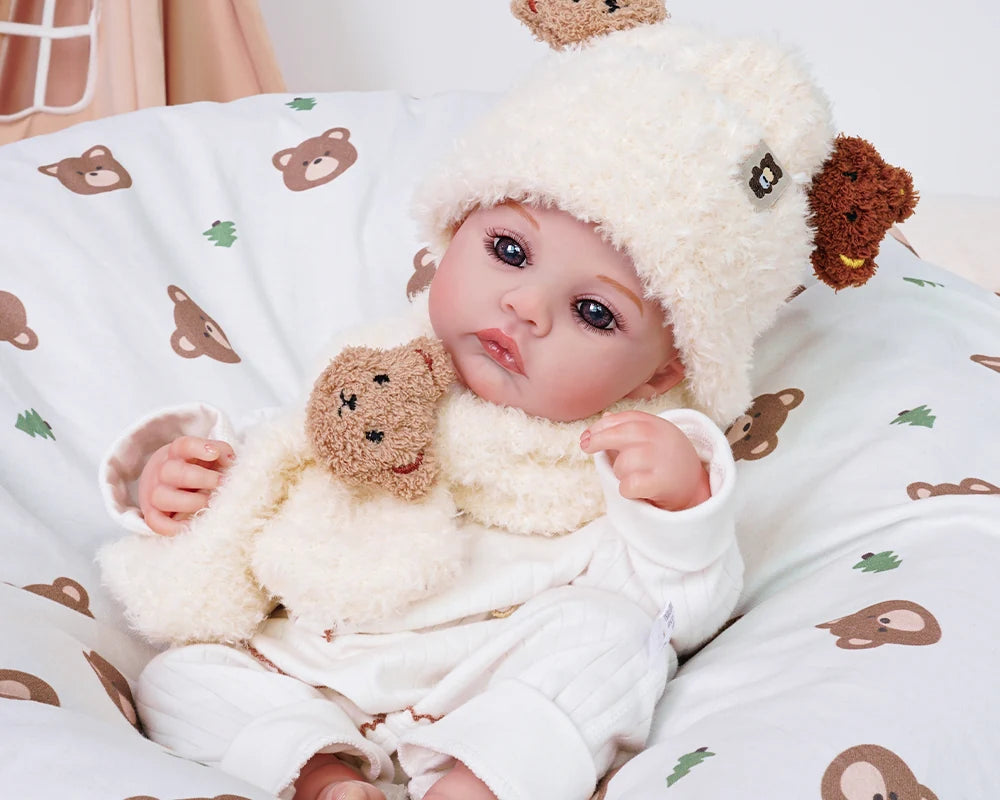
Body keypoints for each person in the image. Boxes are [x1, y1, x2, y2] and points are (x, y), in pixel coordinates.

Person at [98, 20, 834, 800]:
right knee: (181, 678)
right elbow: (276, 456)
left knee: (615, 642)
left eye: (594, 312)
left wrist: (680, 512)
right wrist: (181, 484)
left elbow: (675, 616)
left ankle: (477, 783)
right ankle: (320, 775)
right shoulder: (379, 359)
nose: (525, 306)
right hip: (310, 661)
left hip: (487, 680)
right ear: (456, 228)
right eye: (510, 251)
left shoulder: (626, 454)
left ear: (662, 372)